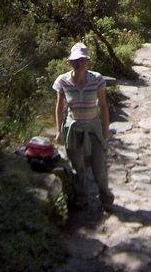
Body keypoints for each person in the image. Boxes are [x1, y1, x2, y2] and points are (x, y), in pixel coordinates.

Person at [53, 42, 114, 211]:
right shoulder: (62, 81)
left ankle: (106, 198)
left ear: (87, 61)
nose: (79, 64)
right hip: (72, 128)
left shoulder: (97, 79)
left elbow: (103, 105)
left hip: (93, 127)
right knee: (77, 166)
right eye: (75, 61)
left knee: (99, 167)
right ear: (69, 62)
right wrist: (58, 130)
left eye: (82, 60)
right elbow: (59, 107)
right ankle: (82, 197)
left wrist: (105, 129)